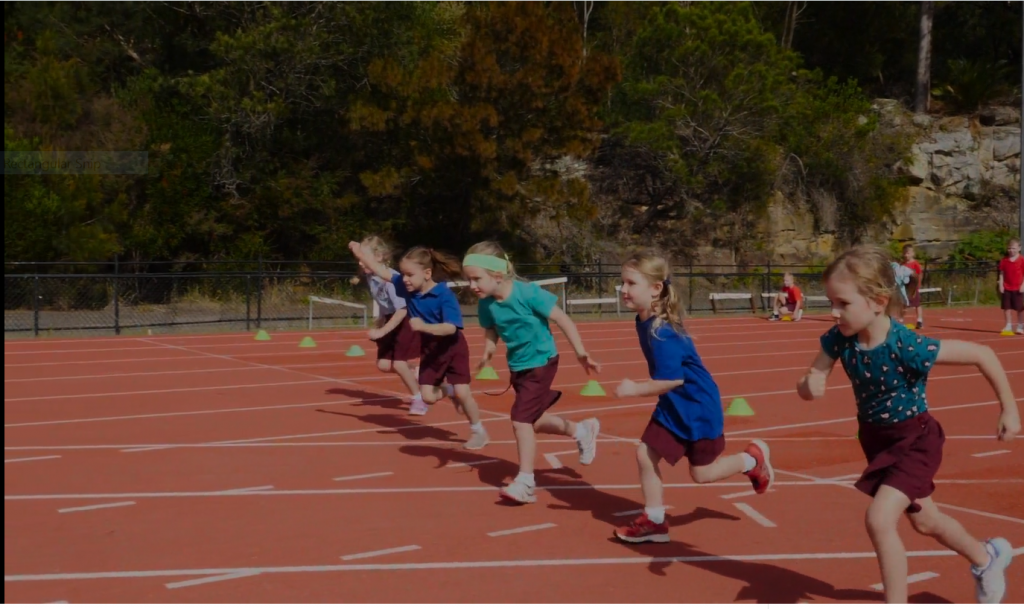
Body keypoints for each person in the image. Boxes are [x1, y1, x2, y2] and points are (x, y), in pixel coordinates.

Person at [797, 245, 1019, 604]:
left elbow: (983, 354)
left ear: (878, 302)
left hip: (915, 440)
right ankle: (986, 558)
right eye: (830, 302)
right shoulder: (840, 339)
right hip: (876, 442)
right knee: (926, 522)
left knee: (880, 519)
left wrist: (1009, 409)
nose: (834, 311)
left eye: (842, 303)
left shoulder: (906, 345)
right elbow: (810, 381)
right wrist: (809, 384)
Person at [612, 249, 774, 544]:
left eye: (631, 283)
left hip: (697, 408)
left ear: (656, 288)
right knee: (645, 453)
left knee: (702, 474)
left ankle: (751, 460)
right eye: (622, 282)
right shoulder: (644, 319)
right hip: (673, 405)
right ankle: (655, 520)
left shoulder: (662, 331)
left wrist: (634, 389)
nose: (623, 289)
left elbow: (672, 379)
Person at [463, 241, 602, 504]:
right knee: (534, 421)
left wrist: (581, 352)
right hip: (518, 366)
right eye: (468, 280)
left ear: (497, 274)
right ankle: (582, 430)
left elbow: (562, 318)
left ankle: (525, 481)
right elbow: (491, 330)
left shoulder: (528, 294)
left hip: (542, 361)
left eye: (476, 279)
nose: (472, 286)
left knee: (520, 420)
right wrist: (487, 353)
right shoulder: (486, 304)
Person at [349, 241, 489, 449]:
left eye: (409, 275)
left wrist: (425, 327)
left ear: (427, 273)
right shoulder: (408, 289)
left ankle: (478, 431)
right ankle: (449, 390)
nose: (404, 279)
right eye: (403, 274)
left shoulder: (443, 295)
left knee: (463, 392)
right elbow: (380, 270)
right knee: (428, 397)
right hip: (430, 351)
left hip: (453, 348)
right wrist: (360, 253)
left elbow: (451, 328)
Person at [351, 236, 425, 414]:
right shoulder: (371, 277)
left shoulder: (392, 280)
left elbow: (401, 309)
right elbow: (384, 303)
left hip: (406, 317)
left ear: (378, 257)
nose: (361, 263)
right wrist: (381, 318)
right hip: (391, 317)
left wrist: (382, 330)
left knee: (399, 363)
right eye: (359, 259)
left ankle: (418, 398)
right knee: (384, 365)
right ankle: (416, 370)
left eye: (364, 258)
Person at [997, 238, 1024, 335]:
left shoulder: (1022, 260)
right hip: (1007, 287)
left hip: (1018, 288)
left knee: (1019, 308)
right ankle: (1008, 325)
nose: (1011, 250)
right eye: (1009, 248)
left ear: (1019, 248)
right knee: (1006, 308)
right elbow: (1001, 273)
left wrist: (1023, 285)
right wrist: (1001, 284)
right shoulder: (1004, 261)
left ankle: (1020, 325)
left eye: (1013, 248)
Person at [902, 244, 925, 329]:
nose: (906, 255)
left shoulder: (915, 264)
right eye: (904, 253)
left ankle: (919, 320)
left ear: (912, 254)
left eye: (908, 253)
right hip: (905, 288)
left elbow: (920, 274)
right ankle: (901, 320)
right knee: (903, 304)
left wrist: (918, 284)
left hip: (914, 287)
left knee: (917, 304)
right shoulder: (903, 264)